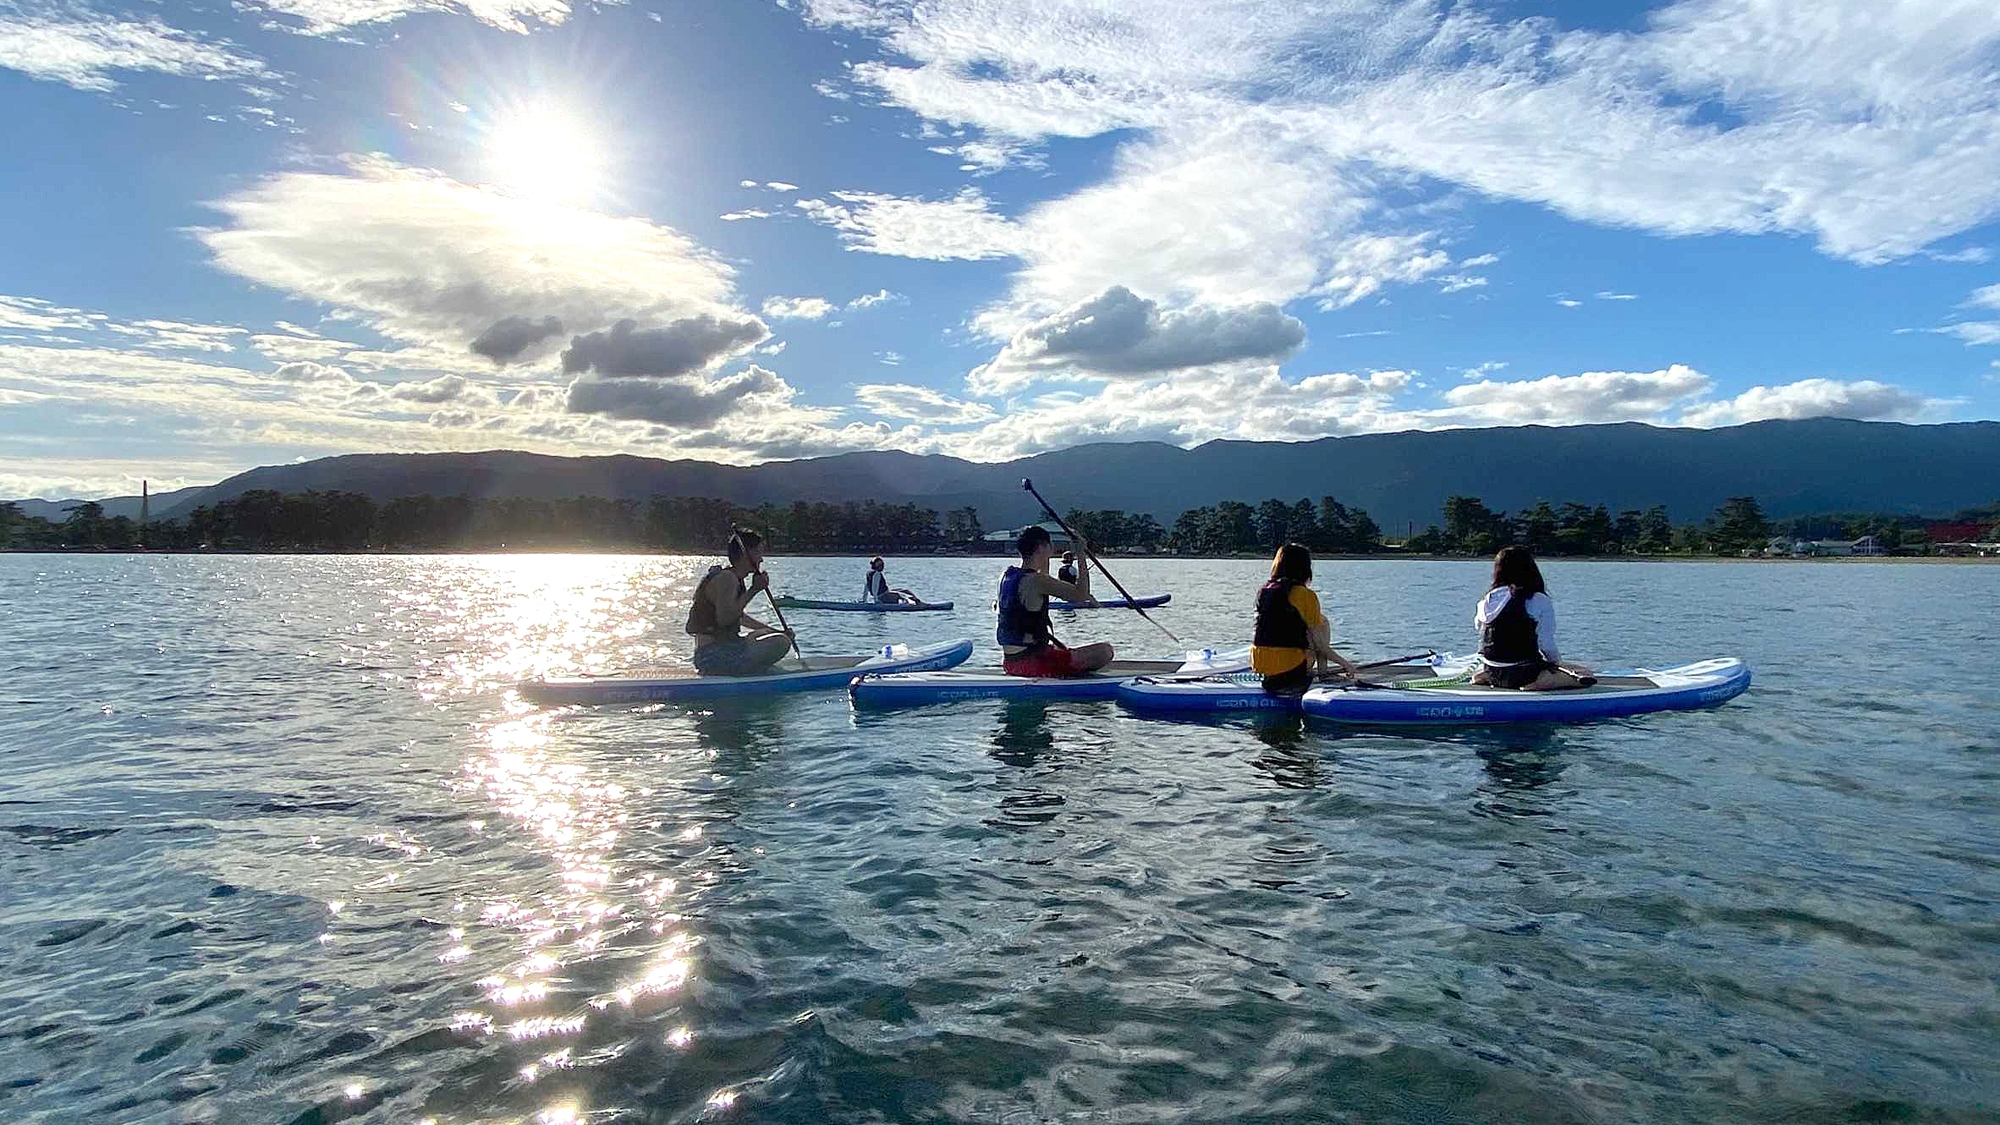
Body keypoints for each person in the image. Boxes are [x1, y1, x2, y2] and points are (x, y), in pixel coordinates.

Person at [1471, 546, 1595, 691]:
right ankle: (1540, 682)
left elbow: (1480, 628)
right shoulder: (1539, 599)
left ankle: (1489, 677)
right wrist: (1556, 665)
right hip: (1524, 673)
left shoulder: (1487, 599)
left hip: (1492, 670)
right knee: (1585, 673)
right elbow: (1545, 642)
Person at [998, 525, 1115, 677]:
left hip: (1010, 662)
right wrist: (1081, 553)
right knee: (1105, 651)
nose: (1053, 547)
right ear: (1041, 547)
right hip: (1033, 665)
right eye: (1050, 544)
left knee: (1061, 649)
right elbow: (1082, 595)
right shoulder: (1036, 581)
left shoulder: (1008, 575)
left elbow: (1042, 575)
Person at [685, 527, 794, 675]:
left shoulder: (735, 578)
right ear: (746, 554)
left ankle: (752, 667)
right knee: (781, 643)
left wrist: (776, 631)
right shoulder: (727, 579)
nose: (761, 559)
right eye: (758, 552)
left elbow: (738, 616)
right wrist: (754, 590)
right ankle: (751, 671)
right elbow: (725, 619)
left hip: (726, 649)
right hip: (712, 657)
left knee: (765, 634)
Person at [1251, 543, 1357, 694]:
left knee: (1314, 621)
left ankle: (1301, 671)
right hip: (1288, 670)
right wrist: (1346, 665)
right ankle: (1323, 673)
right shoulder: (1305, 595)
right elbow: (1320, 645)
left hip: (1260, 665)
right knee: (1323, 622)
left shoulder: (1263, 591)